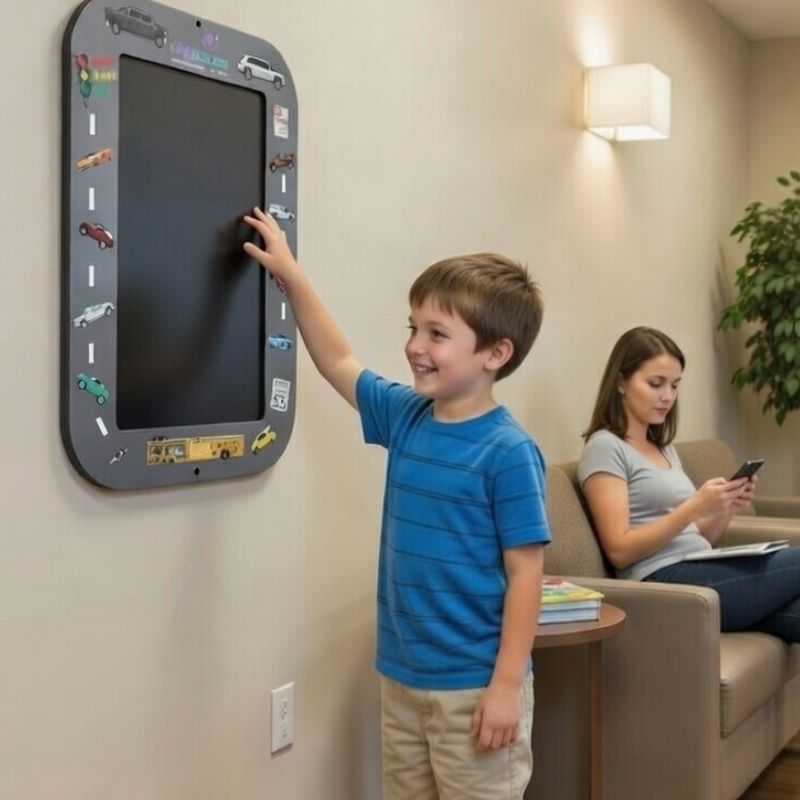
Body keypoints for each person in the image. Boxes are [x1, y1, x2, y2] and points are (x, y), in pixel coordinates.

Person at [243, 207, 551, 800]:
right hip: (403, 678)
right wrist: (292, 275)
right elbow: (339, 360)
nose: (414, 346)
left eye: (437, 334)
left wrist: (507, 685)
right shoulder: (407, 416)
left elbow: (526, 573)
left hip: (475, 688)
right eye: (413, 328)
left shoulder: (509, 451)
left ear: (496, 353)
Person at [578, 326, 800, 643]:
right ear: (620, 382)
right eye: (655, 384)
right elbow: (619, 550)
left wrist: (725, 507)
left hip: (701, 568)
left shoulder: (663, 448)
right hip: (667, 584)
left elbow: (699, 538)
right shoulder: (605, 447)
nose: (667, 396)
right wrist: (692, 507)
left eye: (674, 385)